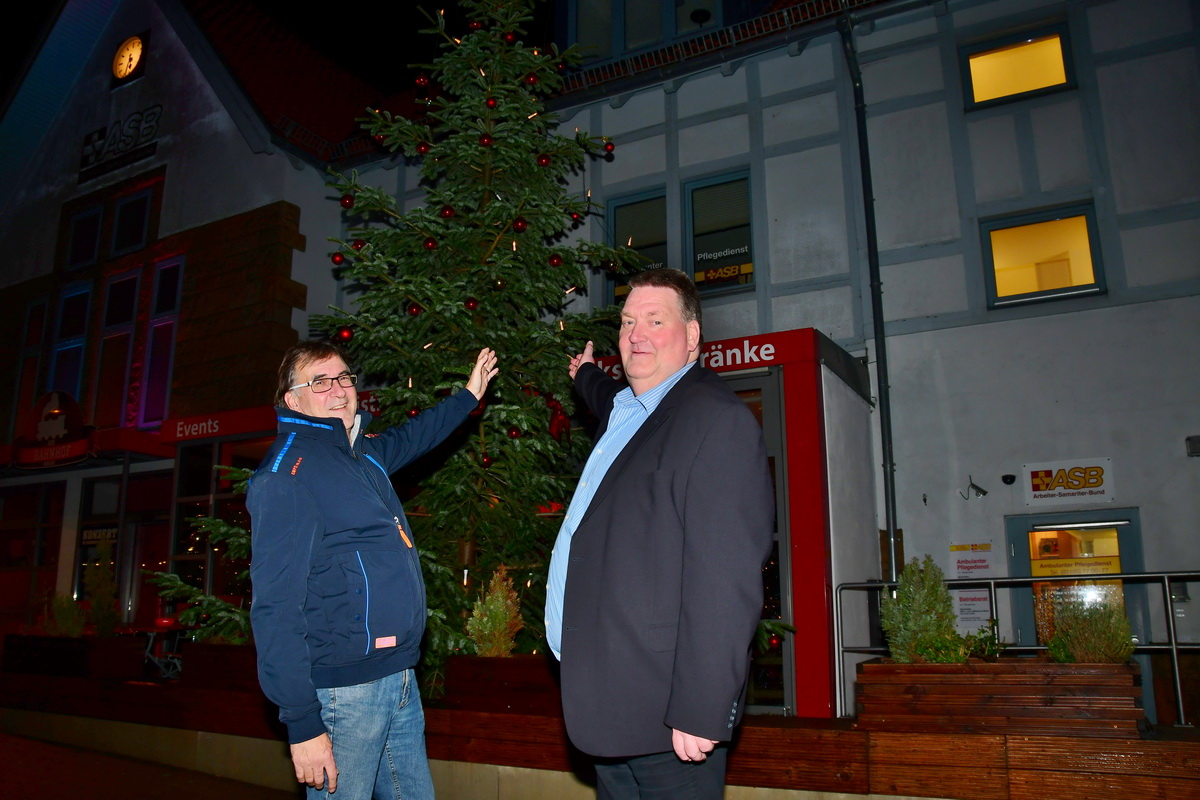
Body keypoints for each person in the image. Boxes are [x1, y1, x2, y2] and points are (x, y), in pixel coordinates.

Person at [545, 268, 774, 799]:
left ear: (692, 336)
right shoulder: (629, 411)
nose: (635, 334)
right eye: (627, 322)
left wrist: (701, 706)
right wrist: (583, 372)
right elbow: (606, 394)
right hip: (609, 703)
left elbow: (723, 579)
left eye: (654, 320)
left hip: (668, 716)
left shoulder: (716, 422)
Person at [248, 340, 498, 799]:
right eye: (319, 382)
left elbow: (417, 436)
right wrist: (302, 724)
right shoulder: (286, 476)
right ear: (292, 399)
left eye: (344, 377)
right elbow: (275, 609)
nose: (339, 389)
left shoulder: (361, 453)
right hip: (346, 693)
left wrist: (468, 396)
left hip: (399, 676)